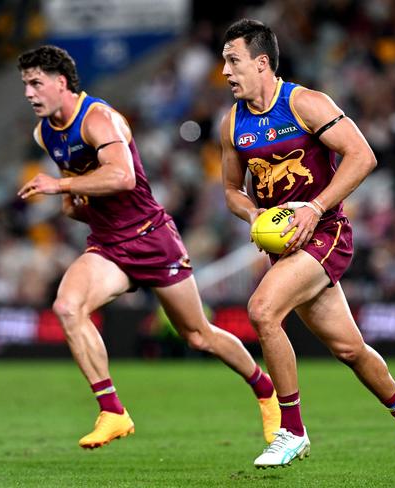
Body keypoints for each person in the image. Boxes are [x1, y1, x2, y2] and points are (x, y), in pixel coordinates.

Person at [16, 45, 280, 450]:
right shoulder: (44, 131)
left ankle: (265, 391)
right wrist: (72, 203)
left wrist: (61, 186)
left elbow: (122, 177)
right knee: (68, 307)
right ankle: (112, 412)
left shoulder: (99, 118)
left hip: (151, 237)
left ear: (61, 83)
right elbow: (78, 189)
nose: (30, 93)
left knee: (198, 335)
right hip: (107, 244)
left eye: (36, 83)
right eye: (25, 85)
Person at [219, 19, 395, 480]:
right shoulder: (232, 123)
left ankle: (292, 430)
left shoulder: (306, 104)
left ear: (261, 63)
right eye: (223, 60)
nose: (225, 71)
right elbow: (231, 191)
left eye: (233, 60)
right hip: (285, 244)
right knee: (350, 349)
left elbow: (363, 156)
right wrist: (252, 215)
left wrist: (315, 209)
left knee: (261, 310)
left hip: (326, 231)